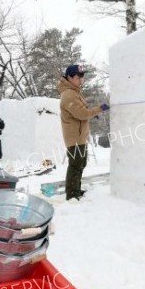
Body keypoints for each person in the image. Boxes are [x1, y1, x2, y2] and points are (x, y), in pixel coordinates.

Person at [58, 64, 109, 200]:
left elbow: (81, 110)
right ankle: (72, 194)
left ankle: (75, 190)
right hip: (74, 137)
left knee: (80, 163)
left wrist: (92, 114)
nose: (81, 80)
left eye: (82, 77)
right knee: (76, 165)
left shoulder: (74, 92)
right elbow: (81, 113)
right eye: (77, 77)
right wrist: (98, 109)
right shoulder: (68, 94)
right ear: (69, 77)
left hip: (79, 136)